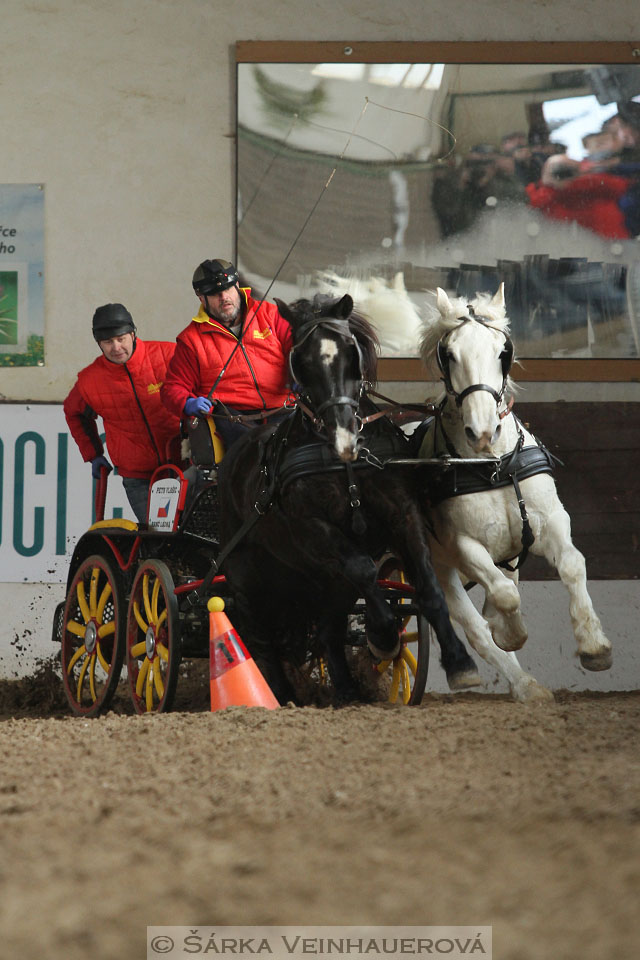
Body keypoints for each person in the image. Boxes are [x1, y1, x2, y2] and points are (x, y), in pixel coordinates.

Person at [160, 258, 294, 453]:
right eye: (214, 294)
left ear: (237, 286)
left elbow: (296, 348)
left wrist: (298, 373)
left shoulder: (270, 314)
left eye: (228, 289)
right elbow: (172, 389)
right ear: (201, 298)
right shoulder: (190, 340)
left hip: (284, 409)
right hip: (235, 421)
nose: (224, 297)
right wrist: (187, 403)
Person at [64, 303, 180, 523]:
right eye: (108, 342)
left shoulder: (169, 355)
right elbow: (74, 412)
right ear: (99, 344)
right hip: (139, 477)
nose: (116, 347)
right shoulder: (90, 380)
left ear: (133, 334)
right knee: (159, 538)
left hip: (185, 467)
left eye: (121, 339)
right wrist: (94, 455)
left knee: (199, 533)